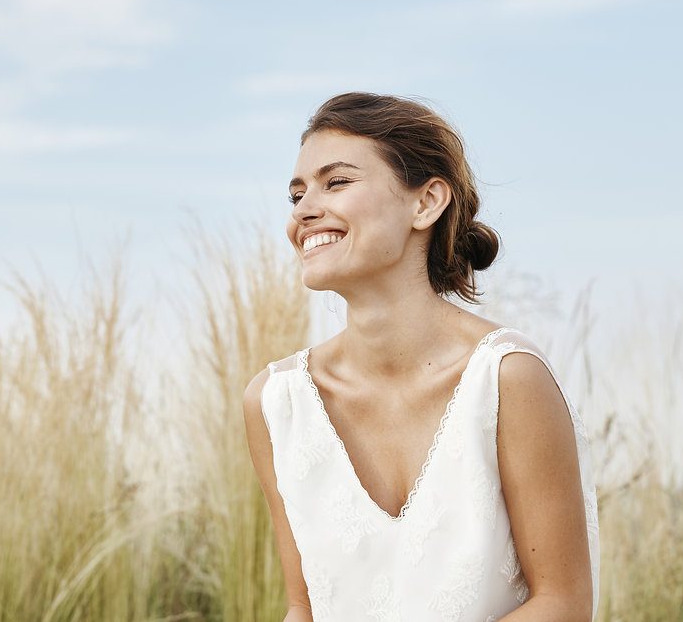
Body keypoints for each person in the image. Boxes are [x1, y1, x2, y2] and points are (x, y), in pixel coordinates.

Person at [243, 91, 599, 621]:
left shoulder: (507, 381)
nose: (305, 212)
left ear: (426, 202)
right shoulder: (275, 404)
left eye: (336, 182)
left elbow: (564, 604)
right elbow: (304, 608)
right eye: (296, 196)